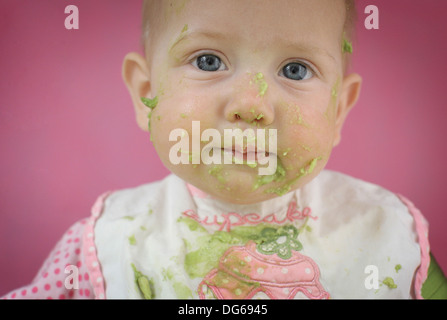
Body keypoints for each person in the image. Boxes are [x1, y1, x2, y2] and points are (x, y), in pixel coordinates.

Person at [2, 0, 446, 300]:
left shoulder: (387, 232)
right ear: (145, 94)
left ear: (339, 111)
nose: (251, 105)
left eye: (295, 69)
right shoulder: (105, 244)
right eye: (208, 61)